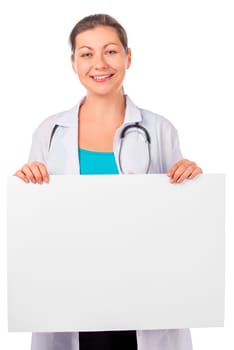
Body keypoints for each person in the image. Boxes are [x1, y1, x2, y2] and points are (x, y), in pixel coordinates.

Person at [15, 13, 202, 350]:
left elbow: (180, 225)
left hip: (143, 303)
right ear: (73, 63)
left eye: (111, 51)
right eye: (86, 53)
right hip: (72, 300)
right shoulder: (50, 132)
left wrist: (190, 180)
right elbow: (37, 224)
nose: (99, 63)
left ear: (129, 57)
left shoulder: (159, 130)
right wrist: (26, 183)